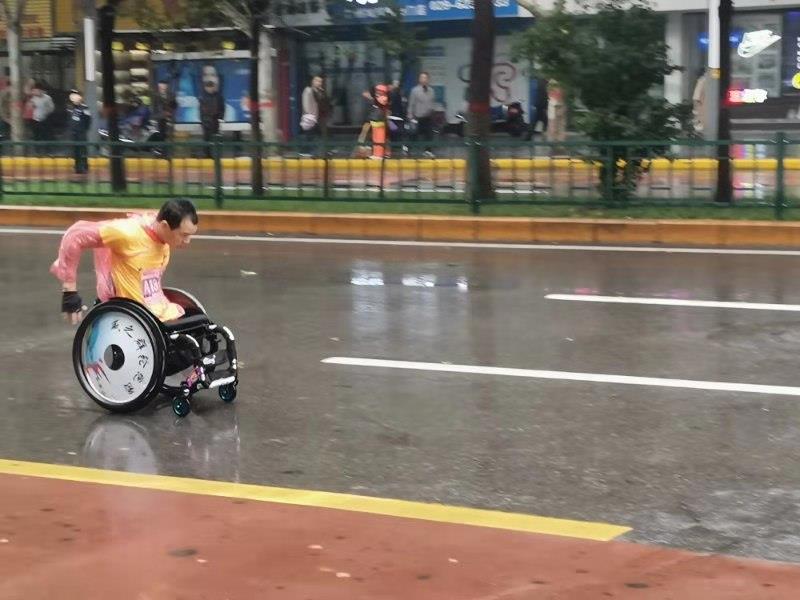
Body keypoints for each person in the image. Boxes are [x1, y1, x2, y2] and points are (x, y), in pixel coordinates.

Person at [50, 198, 199, 325]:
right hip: (129, 319)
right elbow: (75, 235)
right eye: (184, 235)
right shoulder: (127, 233)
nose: (188, 241)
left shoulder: (163, 237)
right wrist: (69, 290)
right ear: (165, 226)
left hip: (158, 313)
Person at [407, 71, 436, 157]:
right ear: (419, 79)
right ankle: (407, 149)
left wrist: (433, 111)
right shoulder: (415, 90)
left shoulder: (431, 90)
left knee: (429, 134)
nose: (424, 79)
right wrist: (410, 116)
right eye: (422, 78)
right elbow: (411, 104)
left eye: (425, 78)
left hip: (428, 117)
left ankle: (428, 151)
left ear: (428, 79)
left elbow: (432, 102)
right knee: (414, 134)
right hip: (418, 116)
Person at [300, 75, 330, 155]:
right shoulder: (308, 90)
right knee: (309, 134)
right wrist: (309, 114)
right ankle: (306, 151)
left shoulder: (321, 91)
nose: (319, 83)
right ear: (312, 81)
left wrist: (322, 93)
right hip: (311, 116)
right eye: (317, 81)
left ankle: (321, 151)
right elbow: (306, 103)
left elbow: (325, 101)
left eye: (320, 81)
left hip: (319, 116)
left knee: (319, 134)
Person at [199, 65, 225, 157]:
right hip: (206, 121)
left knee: (215, 138)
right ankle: (207, 154)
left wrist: (220, 118)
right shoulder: (203, 97)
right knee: (206, 139)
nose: (210, 89)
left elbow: (222, 108)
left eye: (213, 74)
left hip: (215, 120)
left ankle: (216, 154)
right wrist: (202, 120)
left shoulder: (218, 97)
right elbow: (201, 110)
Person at [68, 89, 92, 176]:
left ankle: (84, 166)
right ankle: (77, 166)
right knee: (75, 150)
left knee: (82, 149)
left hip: (81, 132)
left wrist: (84, 129)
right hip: (74, 132)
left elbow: (88, 120)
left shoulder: (85, 108)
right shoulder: (71, 108)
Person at [29, 83, 54, 148]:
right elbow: (31, 107)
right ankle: (37, 149)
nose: (35, 92)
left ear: (41, 90)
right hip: (35, 119)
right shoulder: (33, 98)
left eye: (36, 91)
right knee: (36, 135)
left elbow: (51, 108)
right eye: (34, 91)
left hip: (45, 119)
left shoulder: (47, 98)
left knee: (45, 135)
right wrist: (32, 106)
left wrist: (46, 113)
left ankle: (46, 149)